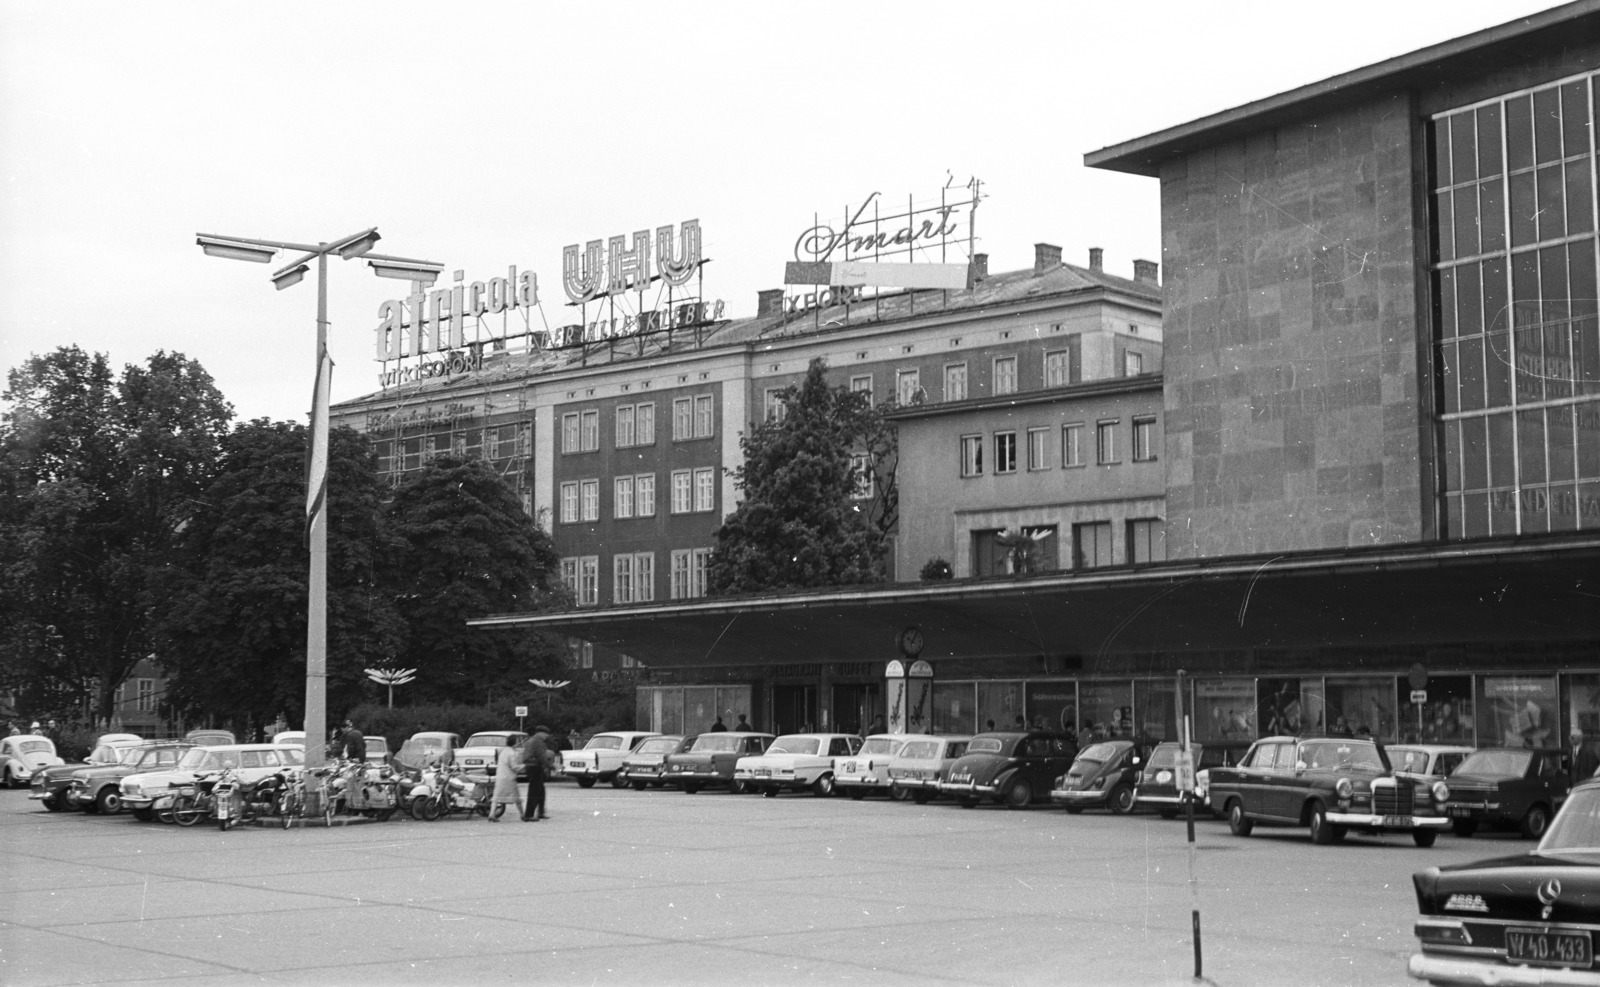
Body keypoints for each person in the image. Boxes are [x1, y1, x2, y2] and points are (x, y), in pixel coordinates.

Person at [519, 726, 553, 821]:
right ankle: (528, 815)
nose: (547, 736)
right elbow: (541, 756)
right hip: (535, 767)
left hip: (530, 766)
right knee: (534, 791)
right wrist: (550, 766)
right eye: (546, 734)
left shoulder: (531, 740)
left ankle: (540, 812)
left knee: (540, 790)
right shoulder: (538, 741)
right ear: (541, 733)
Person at [489, 743, 522, 821]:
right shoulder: (512, 753)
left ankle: (491, 814)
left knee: (496, 797)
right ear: (515, 743)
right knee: (516, 797)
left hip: (500, 777)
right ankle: (522, 814)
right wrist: (523, 766)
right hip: (509, 778)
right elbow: (514, 767)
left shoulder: (502, 751)